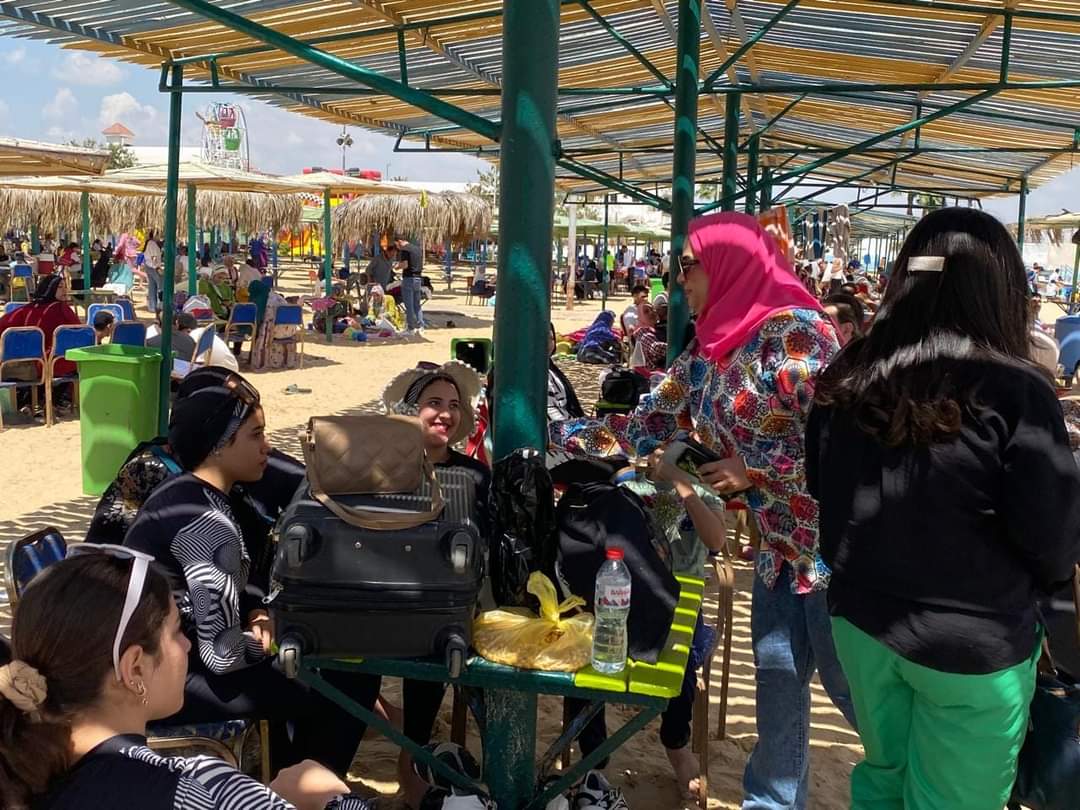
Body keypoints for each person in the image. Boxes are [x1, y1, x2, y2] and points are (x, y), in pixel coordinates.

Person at [550, 212, 856, 809]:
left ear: (726, 263)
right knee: (778, 697)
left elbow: (845, 442)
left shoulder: (797, 336)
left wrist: (755, 468)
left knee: (857, 699)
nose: (678, 280)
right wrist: (561, 434)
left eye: (687, 265)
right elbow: (647, 424)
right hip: (775, 555)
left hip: (832, 558)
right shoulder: (710, 347)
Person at [807, 208, 1080, 810]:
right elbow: (1054, 543)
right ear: (1000, 290)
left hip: (863, 626)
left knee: (883, 778)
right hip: (974, 646)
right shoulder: (1017, 391)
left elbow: (821, 487)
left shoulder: (848, 374)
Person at [122, 372, 379, 776]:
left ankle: (291, 775)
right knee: (347, 680)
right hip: (166, 680)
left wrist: (263, 619)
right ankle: (308, 792)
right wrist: (287, 638)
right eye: (255, 435)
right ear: (219, 445)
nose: (267, 447)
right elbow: (222, 655)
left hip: (161, 663)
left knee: (311, 670)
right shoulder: (207, 522)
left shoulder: (185, 493)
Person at [0, 552, 374, 809]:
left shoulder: (21, 775)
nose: (187, 644)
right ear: (134, 668)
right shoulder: (199, 787)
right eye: (177, 630)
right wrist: (333, 798)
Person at [381, 362, 490, 808]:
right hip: (384, 596)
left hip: (450, 604)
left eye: (453, 405)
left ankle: (414, 757)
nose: (446, 414)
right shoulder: (383, 470)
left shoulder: (475, 475)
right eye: (433, 403)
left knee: (438, 634)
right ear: (410, 411)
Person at [0, 275, 82, 385]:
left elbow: (4, 324)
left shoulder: (30, 308)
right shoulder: (62, 309)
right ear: (50, 288)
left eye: (65, 287)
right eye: (60, 287)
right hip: (57, 363)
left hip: (33, 362)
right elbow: (80, 332)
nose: (64, 290)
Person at [394, 234, 425, 333]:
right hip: (418, 278)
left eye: (396, 245)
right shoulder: (417, 249)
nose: (397, 247)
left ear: (399, 241)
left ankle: (411, 328)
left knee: (409, 305)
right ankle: (421, 326)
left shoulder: (405, 250)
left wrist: (397, 267)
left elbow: (405, 265)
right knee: (417, 305)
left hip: (408, 278)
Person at [629, 302, 667, 373]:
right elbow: (656, 348)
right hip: (650, 375)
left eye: (652, 309)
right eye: (646, 312)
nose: (651, 313)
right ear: (640, 316)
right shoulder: (642, 332)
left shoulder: (658, 329)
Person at [143, 232, 163, 315]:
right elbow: (154, 257)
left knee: (152, 287)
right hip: (153, 267)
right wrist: (157, 267)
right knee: (161, 285)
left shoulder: (149, 243)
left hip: (149, 266)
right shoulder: (152, 244)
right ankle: (161, 305)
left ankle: (152, 306)